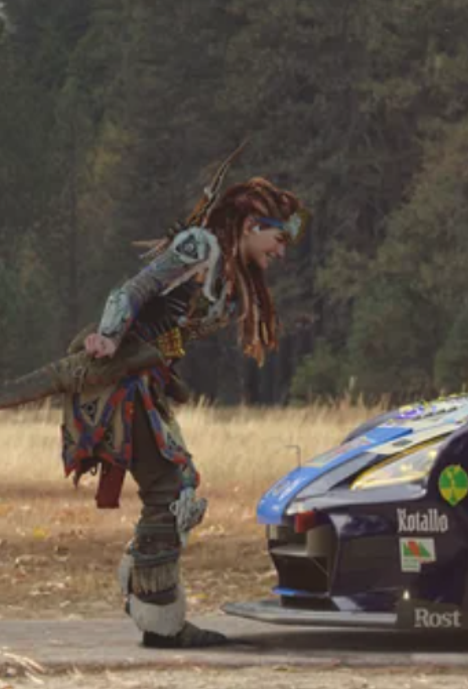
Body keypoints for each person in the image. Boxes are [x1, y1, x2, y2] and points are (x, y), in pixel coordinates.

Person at [62, 173, 307, 648]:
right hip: (119, 378)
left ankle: (146, 591)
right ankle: (160, 622)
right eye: (279, 240)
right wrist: (109, 337)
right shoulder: (201, 247)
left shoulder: (226, 267)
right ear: (252, 225)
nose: (282, 253)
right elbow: (131, 291)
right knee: (171, 491)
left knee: (183, 484)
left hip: (143, 382)